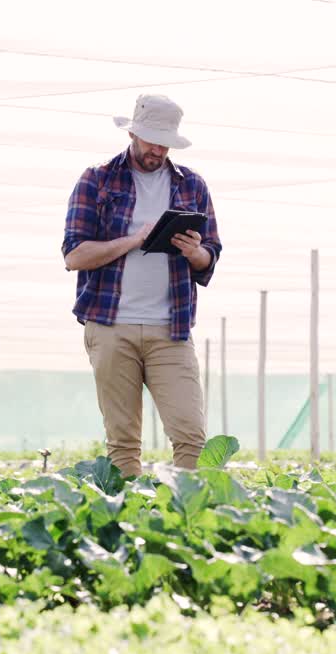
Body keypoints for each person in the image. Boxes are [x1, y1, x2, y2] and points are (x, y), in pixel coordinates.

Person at [61, 93, 222, 478]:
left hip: (172, 328)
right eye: (150, 139)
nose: (157, 149)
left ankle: (186, 517)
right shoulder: (97, 180)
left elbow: (210, 256)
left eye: (164, 142)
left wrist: (195, 252)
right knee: (123, 441)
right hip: (111, 326)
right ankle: (129, 523)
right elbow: (74, 256)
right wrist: (134, 240)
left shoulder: (192, 185)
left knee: (191, 436)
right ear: (133, 133)